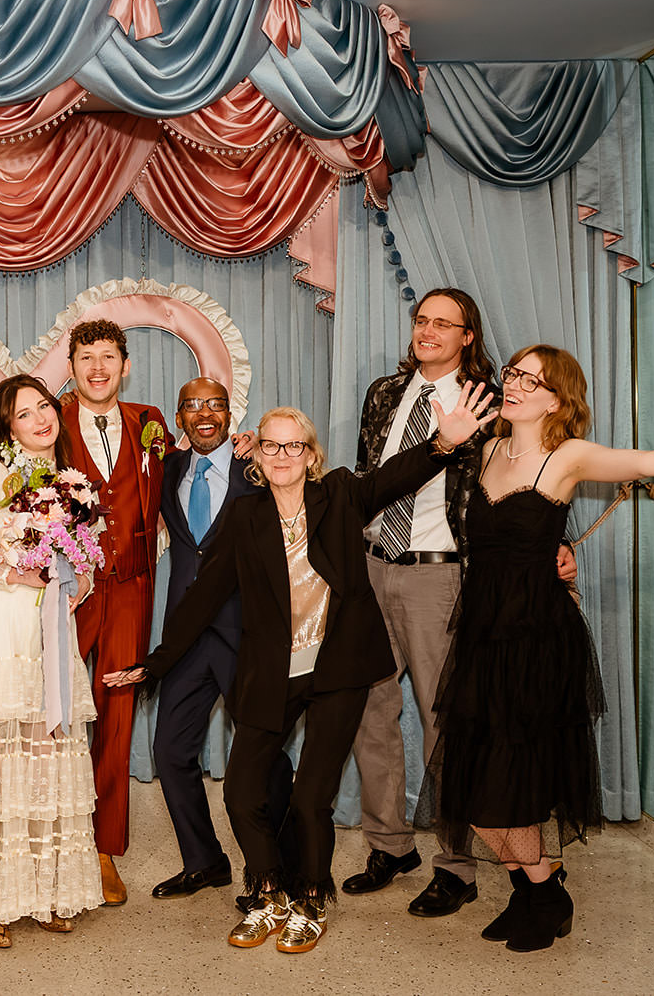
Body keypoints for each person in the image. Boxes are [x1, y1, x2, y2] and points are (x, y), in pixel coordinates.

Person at [421, 344, 654, 953]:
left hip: (537, 640)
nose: (513, 384)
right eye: (512, 372)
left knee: (510, 788)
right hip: (484, 637)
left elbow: (648, 459)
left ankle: (545, 894)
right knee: (478, 792)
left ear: (556, 399)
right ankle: (532, 887)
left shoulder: (568, 456)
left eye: (529, 379)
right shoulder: (485, 449)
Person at [106, 387, 495, 954]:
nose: (283, 455)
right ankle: (268, 893)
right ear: (257, 456)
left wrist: (442, 444)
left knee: (312, 796)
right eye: (271, 446)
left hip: (337, 668)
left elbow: (394, 478)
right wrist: (154, 665)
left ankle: (311, 898)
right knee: (241, 795)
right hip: (273, 670)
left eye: (295, 446)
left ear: (312, 455)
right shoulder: (244, 515)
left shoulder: (339, 495)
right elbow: (202, 596)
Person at [345, 288, 576, 917]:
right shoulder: (384, 394)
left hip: (439, 576)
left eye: (444, 324)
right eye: (422, 320)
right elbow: (367, 476)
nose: (429, 331)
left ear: (468, 335)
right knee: (370, 713)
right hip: (371, 567)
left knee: (448, 721)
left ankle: (456, 866)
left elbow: (534, 472)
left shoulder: (493, 402)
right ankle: (390, 845)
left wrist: (561, 541)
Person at [0, 374, 103, 947]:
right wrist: (18, 572)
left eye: (44, 407)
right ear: (5, 427)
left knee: (45, 755)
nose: (39, 419)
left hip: (51, 632)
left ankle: (45, 893)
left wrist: (74, 577)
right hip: (3, 625)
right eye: (23, 414)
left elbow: (82, 568)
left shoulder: (72, 484)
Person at [58, 319, 172, 904]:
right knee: (54, 708)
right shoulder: (47, 422)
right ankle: (55, 838)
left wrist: (241, 453)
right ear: (71, 367)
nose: (97, 368)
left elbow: (178, 480)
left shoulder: (150, 422)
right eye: (86, 358)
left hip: (130, 587)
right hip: (66, 590)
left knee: (117, 712)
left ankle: (104, 849)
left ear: (124, 366)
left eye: (108, 357)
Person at [150, 377, 275, 900]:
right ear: (179, 418)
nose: (205, 413)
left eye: (215, 404)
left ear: (230, 413)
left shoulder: (259, 467)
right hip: (184, 636)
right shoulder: (169, 469)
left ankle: (270, 869)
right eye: (193, 406)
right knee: (170, 752)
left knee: (259, 757)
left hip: (242, 632)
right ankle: (204, 861)